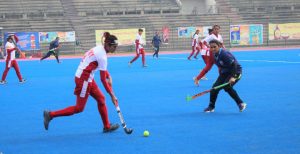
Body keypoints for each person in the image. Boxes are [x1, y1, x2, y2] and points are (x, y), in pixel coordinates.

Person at [43, 32, 120, 133]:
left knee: (101, 99)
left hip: (86, 77)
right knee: (79, 108)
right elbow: (102, 80)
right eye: (114, 46)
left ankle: (106, 126)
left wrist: (108, 75)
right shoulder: (102, 56)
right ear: (108, 45)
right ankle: (50, 115)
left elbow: (102, 69)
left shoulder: (99, 48)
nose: (116, 49)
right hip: (84, 80)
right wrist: (112, 95)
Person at [203, 39, 246, 113]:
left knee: (227, 87)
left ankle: (241, 103)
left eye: (214, 47)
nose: (213, 49)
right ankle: (211, 107)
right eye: (211, 47)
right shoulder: (214, 54)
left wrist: (233, 77)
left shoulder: (224, 54)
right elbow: (219, 66)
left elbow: (234, 65)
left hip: (235, 72)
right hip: (225, 73)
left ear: (219, 46)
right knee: (214, 88)